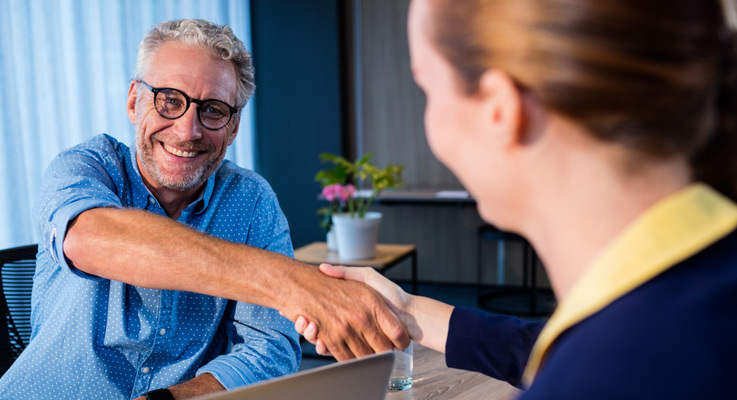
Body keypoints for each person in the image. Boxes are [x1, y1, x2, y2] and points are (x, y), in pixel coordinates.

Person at [296, 0, 737, 398]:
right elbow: (564, 350)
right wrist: (409, 312)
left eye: (428, 89)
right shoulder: (688, 308)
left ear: (501, 110)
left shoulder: (598, 377)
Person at [0, 19, 408, 400]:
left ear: (234, 127)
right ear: (134, 102)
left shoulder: (252, 201)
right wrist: (293, 283)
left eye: (213, 110)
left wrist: (170, 399)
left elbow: (270, 347)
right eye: (169, 100)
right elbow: (89, 240)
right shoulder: (84, 167)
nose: (188, 131)